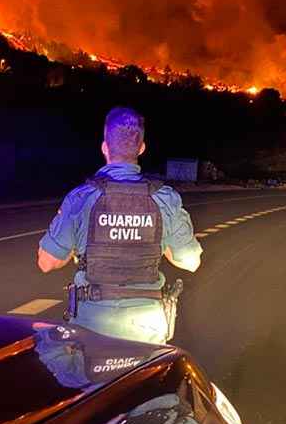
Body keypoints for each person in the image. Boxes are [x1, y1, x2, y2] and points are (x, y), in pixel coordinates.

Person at [37, 107, 203, 344]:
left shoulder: (81, 198)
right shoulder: (164, 198)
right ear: (142, 148)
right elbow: (190, 261)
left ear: (104, 147)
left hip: (91, 326)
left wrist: (77, 249)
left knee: (52, 359)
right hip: (147, 328)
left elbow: (47, 262)